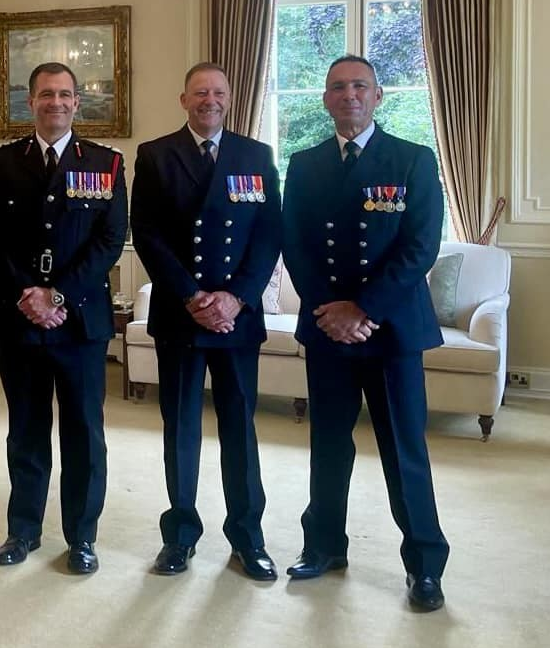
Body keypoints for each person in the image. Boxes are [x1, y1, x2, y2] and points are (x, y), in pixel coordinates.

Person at [281, 55, 449, 611]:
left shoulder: (413, 160)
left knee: (405, 451)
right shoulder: (304, 165)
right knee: (328, 446)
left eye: (359, 86)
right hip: (329, 329)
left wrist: (365, 310)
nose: (348, 95)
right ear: (326, 99)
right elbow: (295, 244)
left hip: (392, 330)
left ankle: (425, 565)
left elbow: (419, 247)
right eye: (337, 87)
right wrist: (331, 310)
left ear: (378, 96)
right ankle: (324, 546)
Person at [129, 62, 282, 580]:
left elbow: (268, 234)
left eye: (217, 92)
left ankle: (248, 537)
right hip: (181, 315)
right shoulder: (155, 155)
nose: (209, 100)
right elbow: (147, 234)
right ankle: (179, 537)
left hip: (236, 320)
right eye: (199, 93)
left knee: (240, 429)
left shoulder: (255, 155)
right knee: (181, 430)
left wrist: (236, 299)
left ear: (229, 97)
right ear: (183, 99)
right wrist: (195, 295)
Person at [0, 62, 127, 574]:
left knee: (85, 432)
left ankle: (81, 536)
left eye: (65, 95)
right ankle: (22, 530)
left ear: (77, 103)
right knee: (26, 429)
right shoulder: (1, 164)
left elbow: (110, 240)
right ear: (30, 100)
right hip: (19, 320)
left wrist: (58, 294)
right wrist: (29, 293)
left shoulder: (106, 163)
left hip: (81, 323)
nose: (56, 103)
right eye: (46, 95)